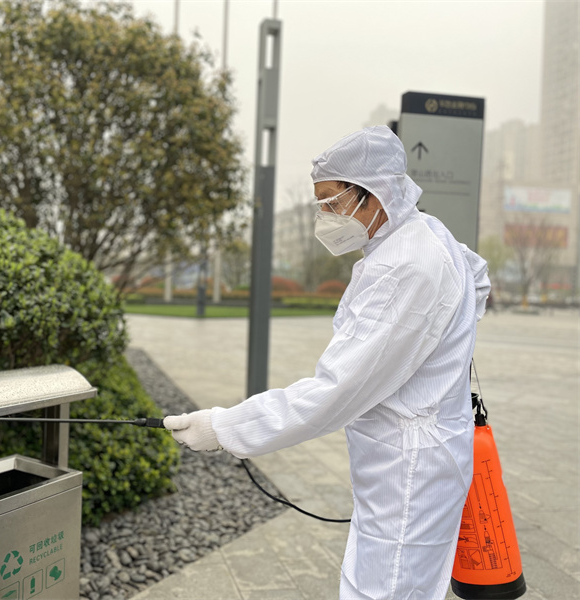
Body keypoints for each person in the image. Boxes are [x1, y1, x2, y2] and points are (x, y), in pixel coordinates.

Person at [163, 126, 491, 600]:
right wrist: (442, 353)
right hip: (416, 456)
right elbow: (477, 278)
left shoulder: (404, 265)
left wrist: (224, 427)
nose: (325, 217)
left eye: (332, 202)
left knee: (382, 589)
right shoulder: (423, 235)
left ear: (373, 195)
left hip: (409, 468)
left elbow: (336, 390)